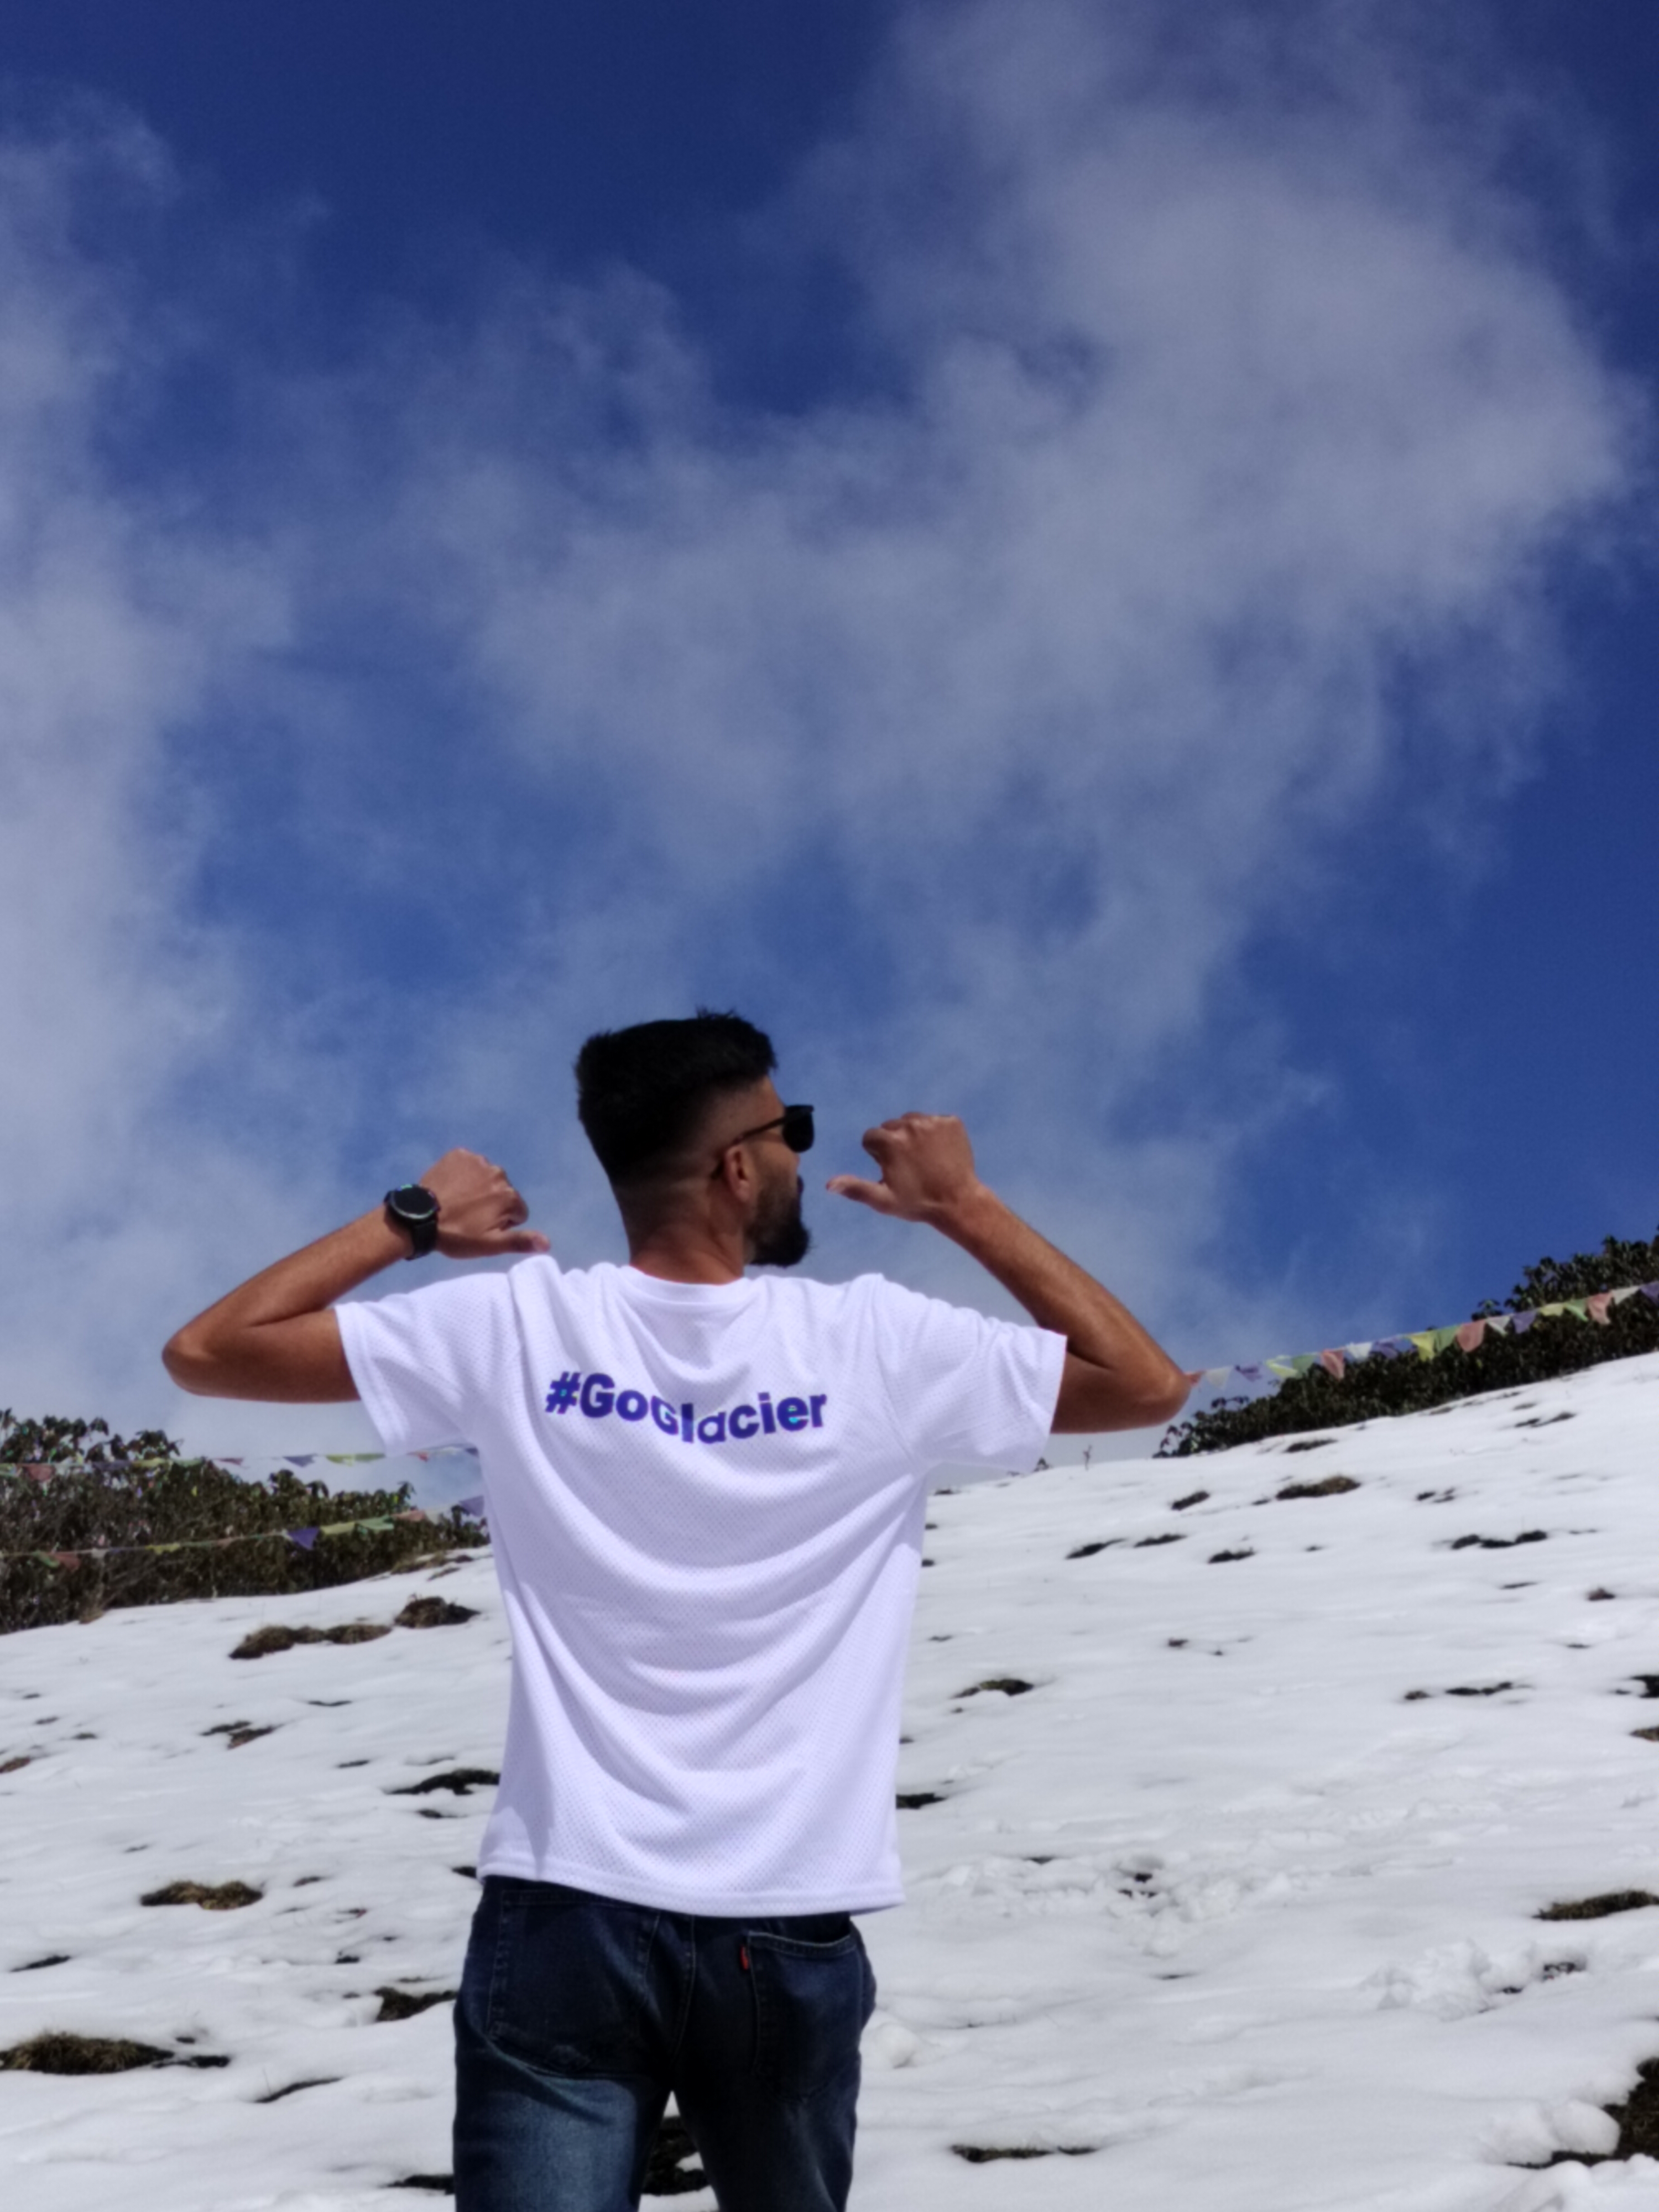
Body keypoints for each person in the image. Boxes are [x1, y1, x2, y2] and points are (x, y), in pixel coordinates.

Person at [163, 1010, 1188, 2212]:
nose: (804, 1152)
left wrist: (411, 1220)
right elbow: (1146, 1386)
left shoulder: (519, 1323)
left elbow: (208, 1350)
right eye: (789, 1128)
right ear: (739, 1163)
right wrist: (964, 1205)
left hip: (564, 1905)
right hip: (784, 1914)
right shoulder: (870, 1340)